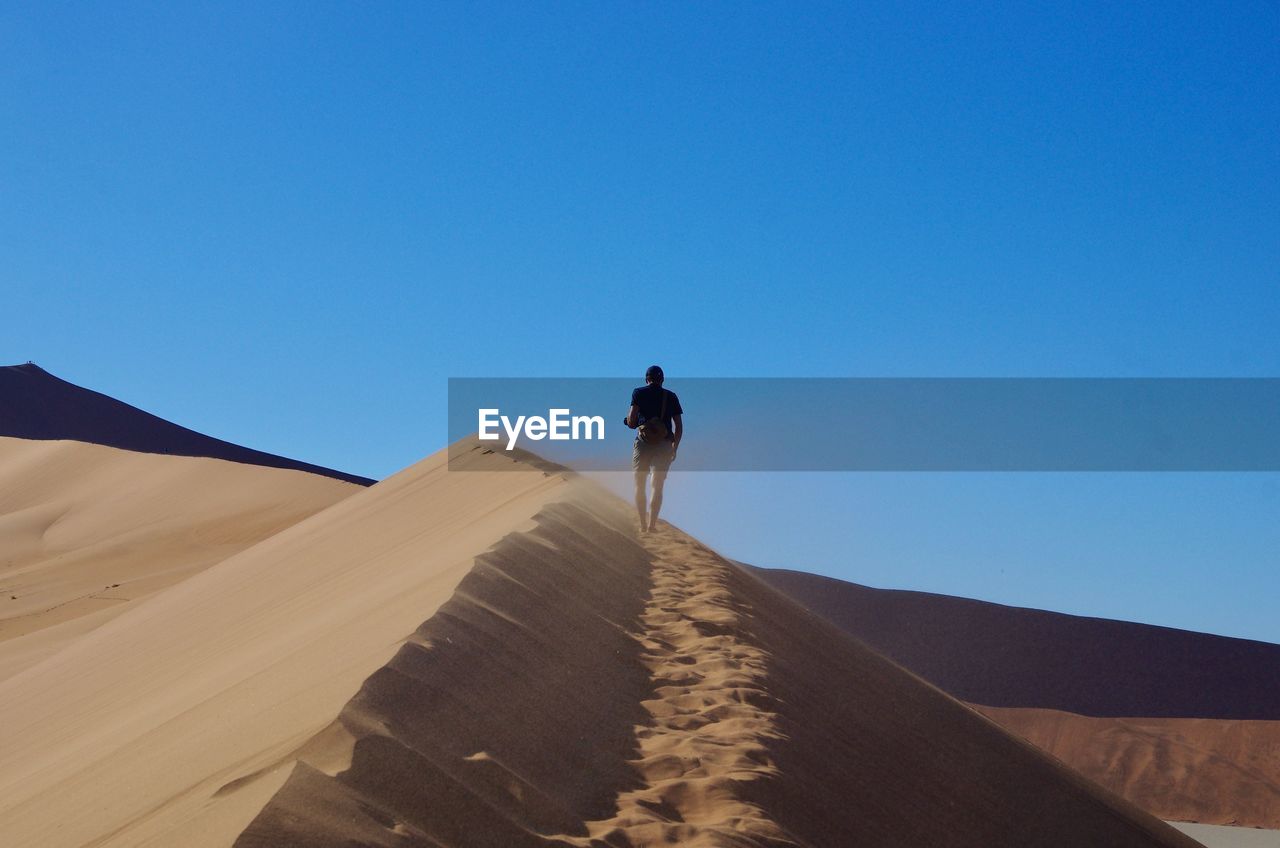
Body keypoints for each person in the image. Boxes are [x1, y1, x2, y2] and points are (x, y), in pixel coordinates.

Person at [624, 365, 683, 533]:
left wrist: (629, 422)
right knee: (657, 486)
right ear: (662, 380)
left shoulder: (638, 393)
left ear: (646, 379)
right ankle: (652, 526)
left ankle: (642, 524)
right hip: (664, 445)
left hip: (643, 442)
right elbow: (678, 427)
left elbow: (631, 420)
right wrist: (674, 447)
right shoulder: (670, 397)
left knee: (639, 484)